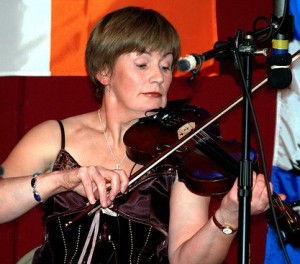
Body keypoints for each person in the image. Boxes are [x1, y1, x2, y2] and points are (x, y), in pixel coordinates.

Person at [0, 6, 271, 264]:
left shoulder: (183, 150)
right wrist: (60, 180)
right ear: (104, 72)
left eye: (165, 67)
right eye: (142, 65)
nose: (158, 77)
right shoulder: (53, 136)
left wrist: (228, 216)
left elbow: (186, 260)